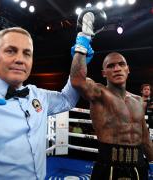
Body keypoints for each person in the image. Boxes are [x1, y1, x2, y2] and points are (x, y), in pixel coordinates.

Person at [0, 27, 79, 179]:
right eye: (11, 51)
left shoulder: (39, 95)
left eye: (27, 53)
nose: (20, 59)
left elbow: (67, 99)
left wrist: (78, 60)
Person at [70, 7, 153, 179]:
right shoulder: (99, 93)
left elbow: (144, 138)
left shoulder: (138, 101)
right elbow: (77, 80)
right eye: (110, 66)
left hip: (139, 167)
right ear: (103, 73)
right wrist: (84, 38)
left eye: (121, 64)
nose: (117, 68)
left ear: (128, 69)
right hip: (109, 167)